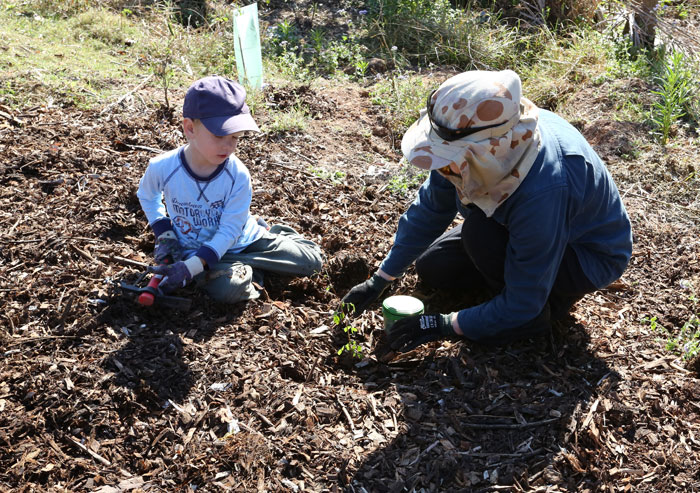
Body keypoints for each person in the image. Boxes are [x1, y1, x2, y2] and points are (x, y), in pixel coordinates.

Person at [341, 70, 632, 353]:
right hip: (519, 225)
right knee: (434, 267)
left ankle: (537, 316)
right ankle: (499, 300)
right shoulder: (479, 147)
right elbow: (431, 209)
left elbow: (523, 299)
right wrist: (381, 278)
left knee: (482, 238)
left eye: (447, 158)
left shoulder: (545, 188)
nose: (442, 168)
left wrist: (443, 324)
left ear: (486, 151)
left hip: (581, 253)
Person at [137, 75, 324, 303]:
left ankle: (270, 235)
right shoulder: (163, 167)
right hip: (195, 250)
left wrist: (191, 269)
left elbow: (229, 231)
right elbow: (147, 196)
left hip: (244, 240)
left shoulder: (236, 175)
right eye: (219, 135)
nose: (229, 146)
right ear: (189, 128)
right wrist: (164, 232)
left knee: (313, 263)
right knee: (228, 290)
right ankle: (248, 269)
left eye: (235, 137)